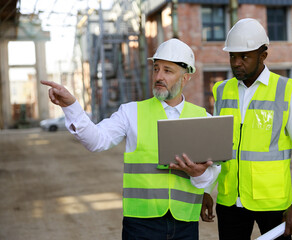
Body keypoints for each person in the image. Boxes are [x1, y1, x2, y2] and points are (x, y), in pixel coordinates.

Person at [42, 38, 220, 240]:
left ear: (185, 78)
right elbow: (96, 140)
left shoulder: (203, 119)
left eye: (167, 71)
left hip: (185, 225)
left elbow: (211, 175)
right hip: (140, 225)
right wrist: (71, 106)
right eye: (156, 69)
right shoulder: (131, 112)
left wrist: (199, 174)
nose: (158, 76)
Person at [201, 18, 292, 240]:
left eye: (244, 56)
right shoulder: (222, 91)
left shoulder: (286, 90)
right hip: (229, 201)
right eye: (232, 56)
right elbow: (216, 151)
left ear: (263, 55)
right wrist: (206, 189)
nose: (236, 63)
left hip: (273, 204)